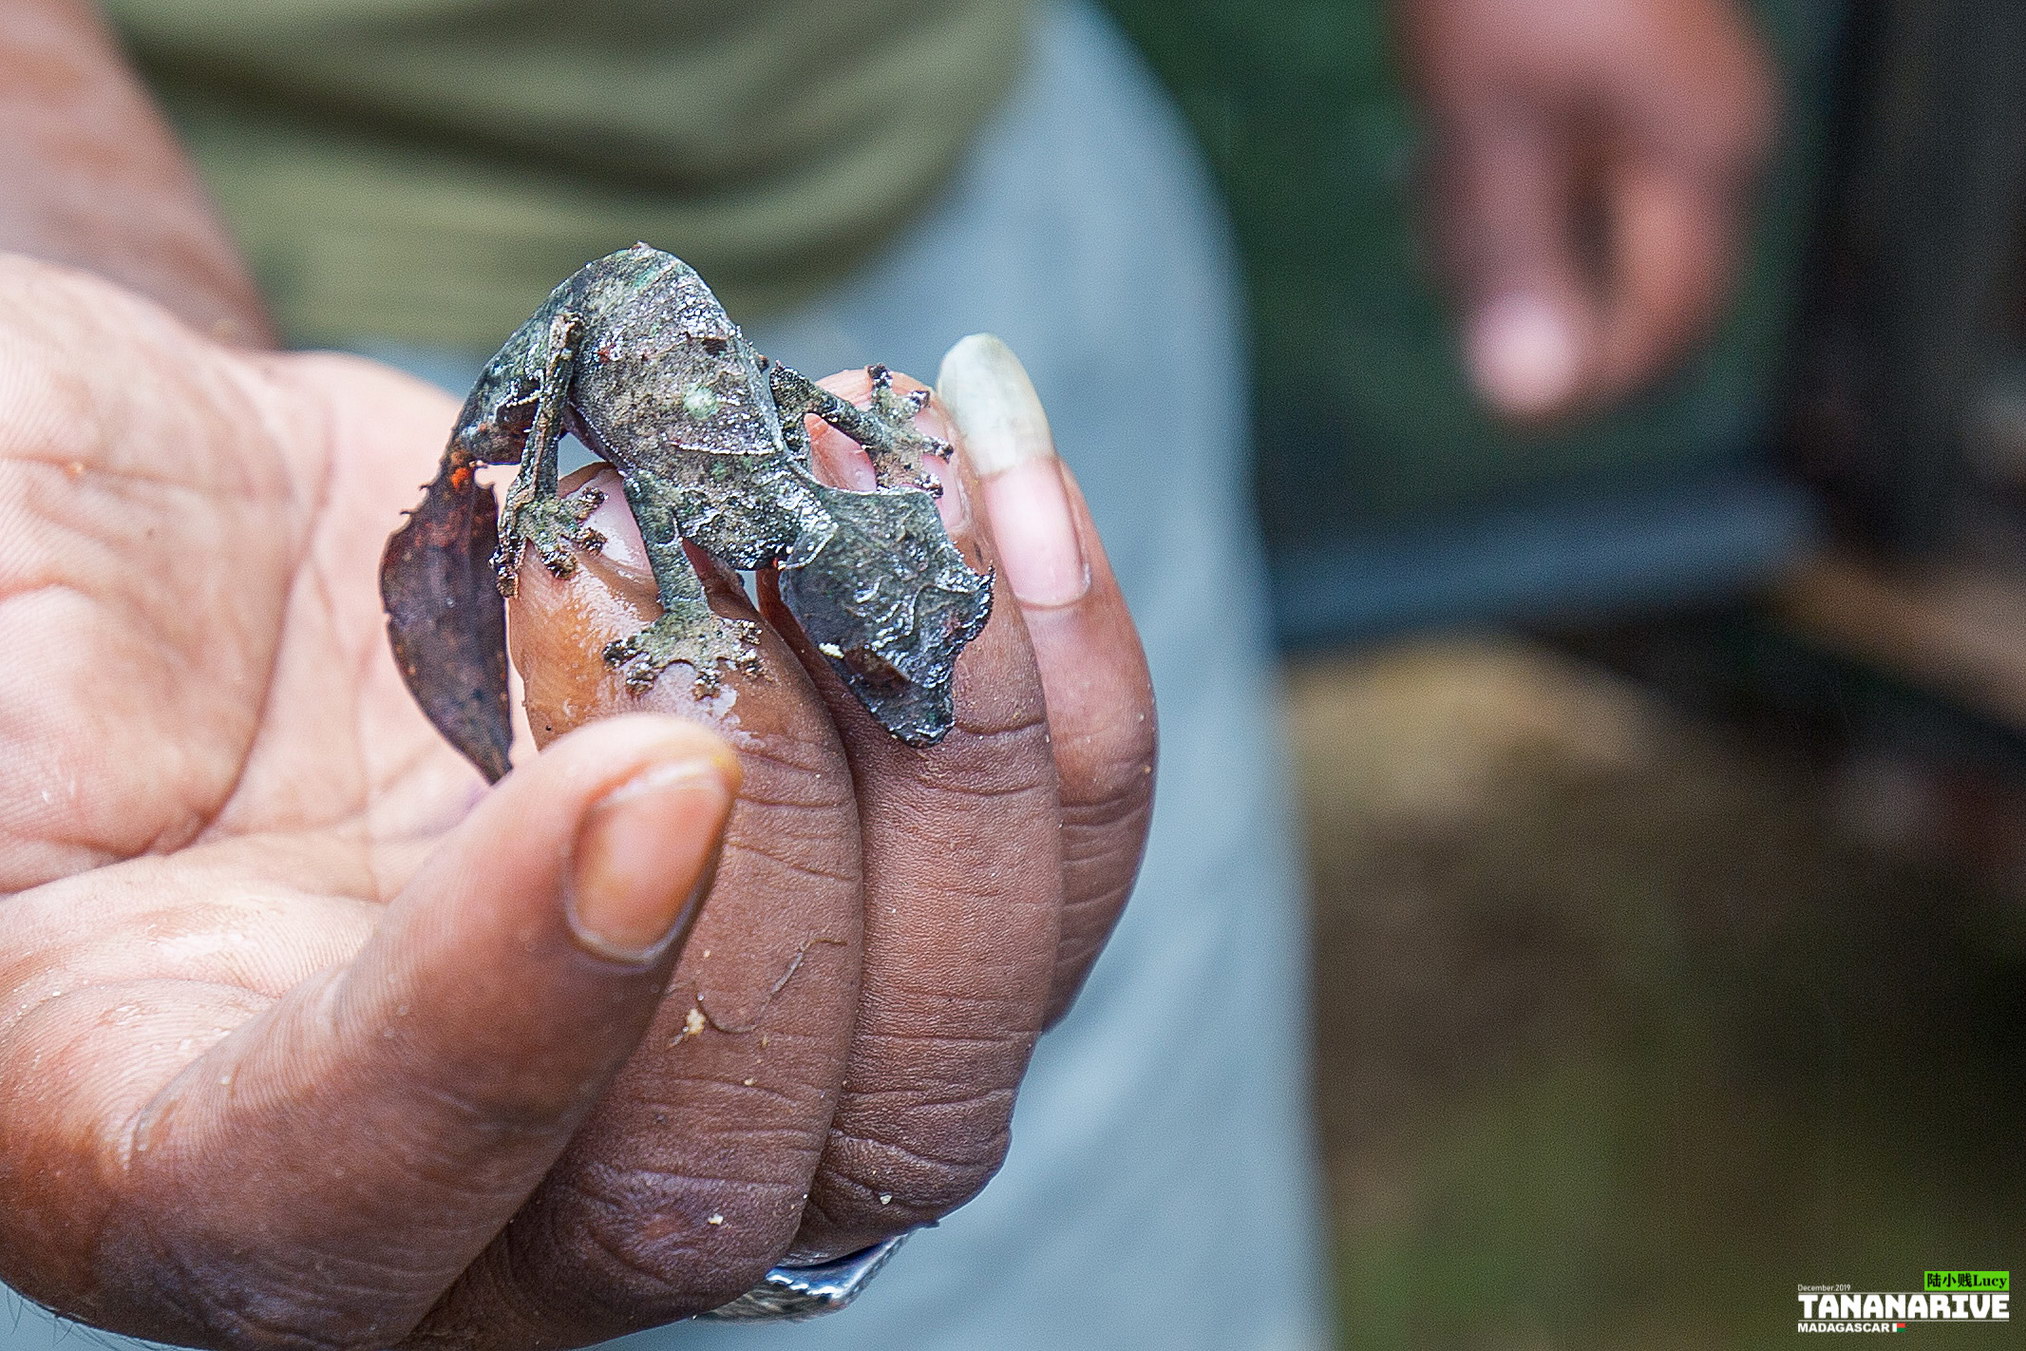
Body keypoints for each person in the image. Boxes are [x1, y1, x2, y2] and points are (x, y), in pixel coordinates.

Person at [0, 0, 1773, 1346]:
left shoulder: (849, 523)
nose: (907, 695)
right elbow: (657, 491)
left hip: (971, 146)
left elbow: (842, 515)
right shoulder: (721, 539)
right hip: (228, 333)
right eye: (881, 660)